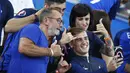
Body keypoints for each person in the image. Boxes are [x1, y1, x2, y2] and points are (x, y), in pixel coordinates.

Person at [7, 8, 64, 73]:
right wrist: (51, 51)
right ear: (46, 20)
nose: (61, 25)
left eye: (62, 22)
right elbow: (24, 47)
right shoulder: (33, 28)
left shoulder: (45, 43)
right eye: (58, 21)